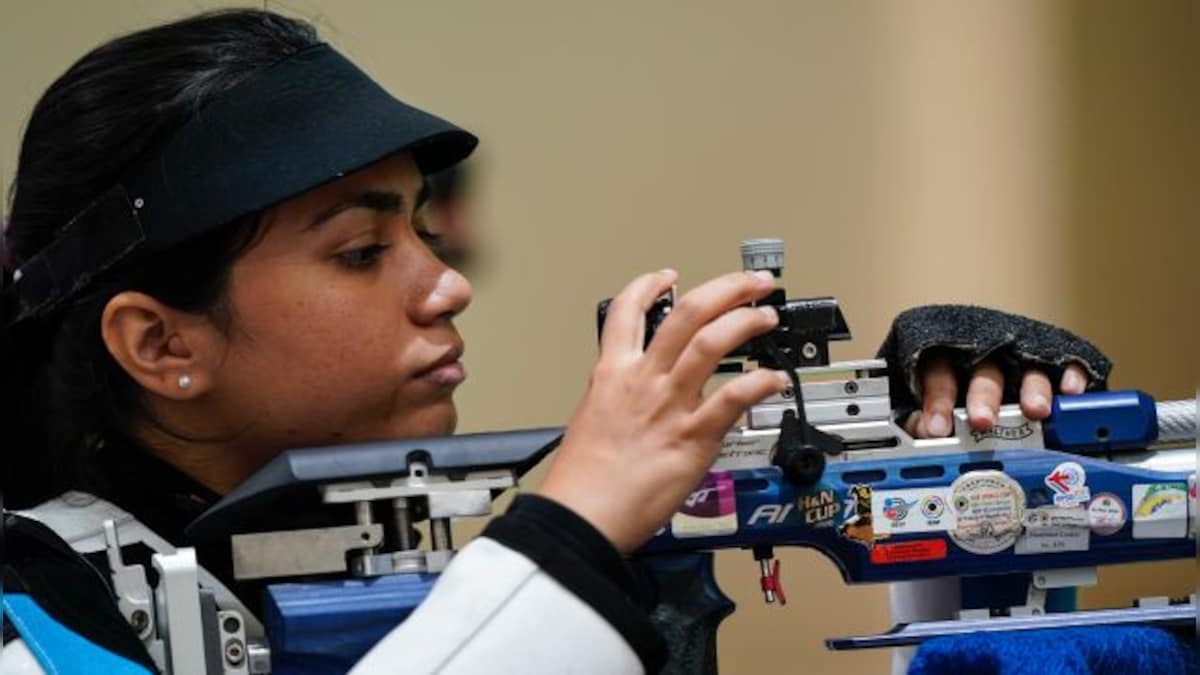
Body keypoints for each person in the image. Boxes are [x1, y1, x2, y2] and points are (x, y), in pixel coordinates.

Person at [0, 10, 1098, 674]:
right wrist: (574, 524)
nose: (446, 285)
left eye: (424, 228)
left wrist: (963, 505)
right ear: (159, 345)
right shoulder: (30, 623)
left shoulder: (405, 557)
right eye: (359, 250)